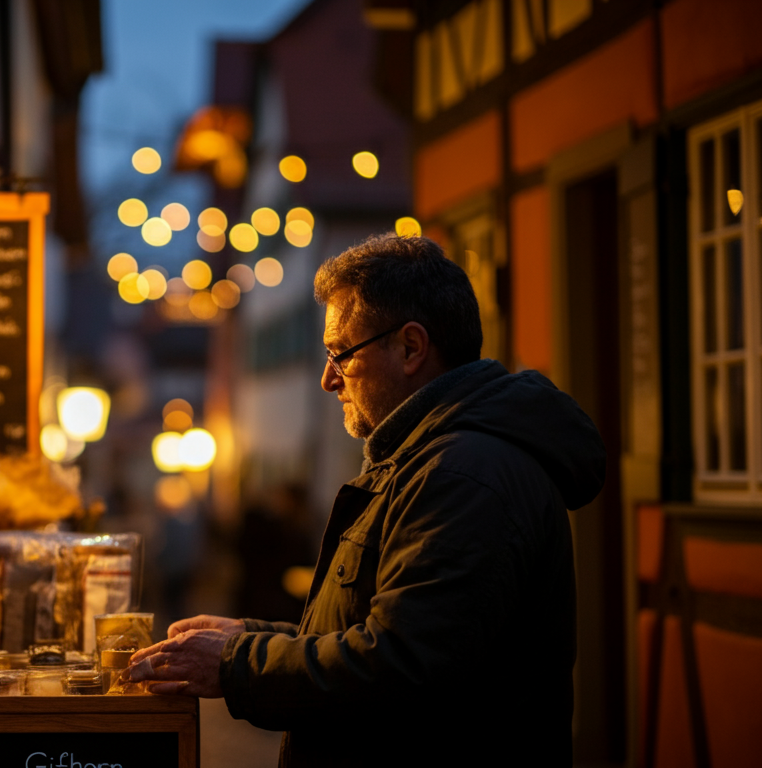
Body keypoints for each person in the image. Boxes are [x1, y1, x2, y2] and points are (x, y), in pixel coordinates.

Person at [128, 234, 605, 766]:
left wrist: (236, 662)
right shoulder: (427, 460)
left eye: (340, 353)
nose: (330, 379)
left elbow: (402, 668)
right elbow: (374, 634)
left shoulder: (463, 475)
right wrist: (250, 635)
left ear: (410, 348)